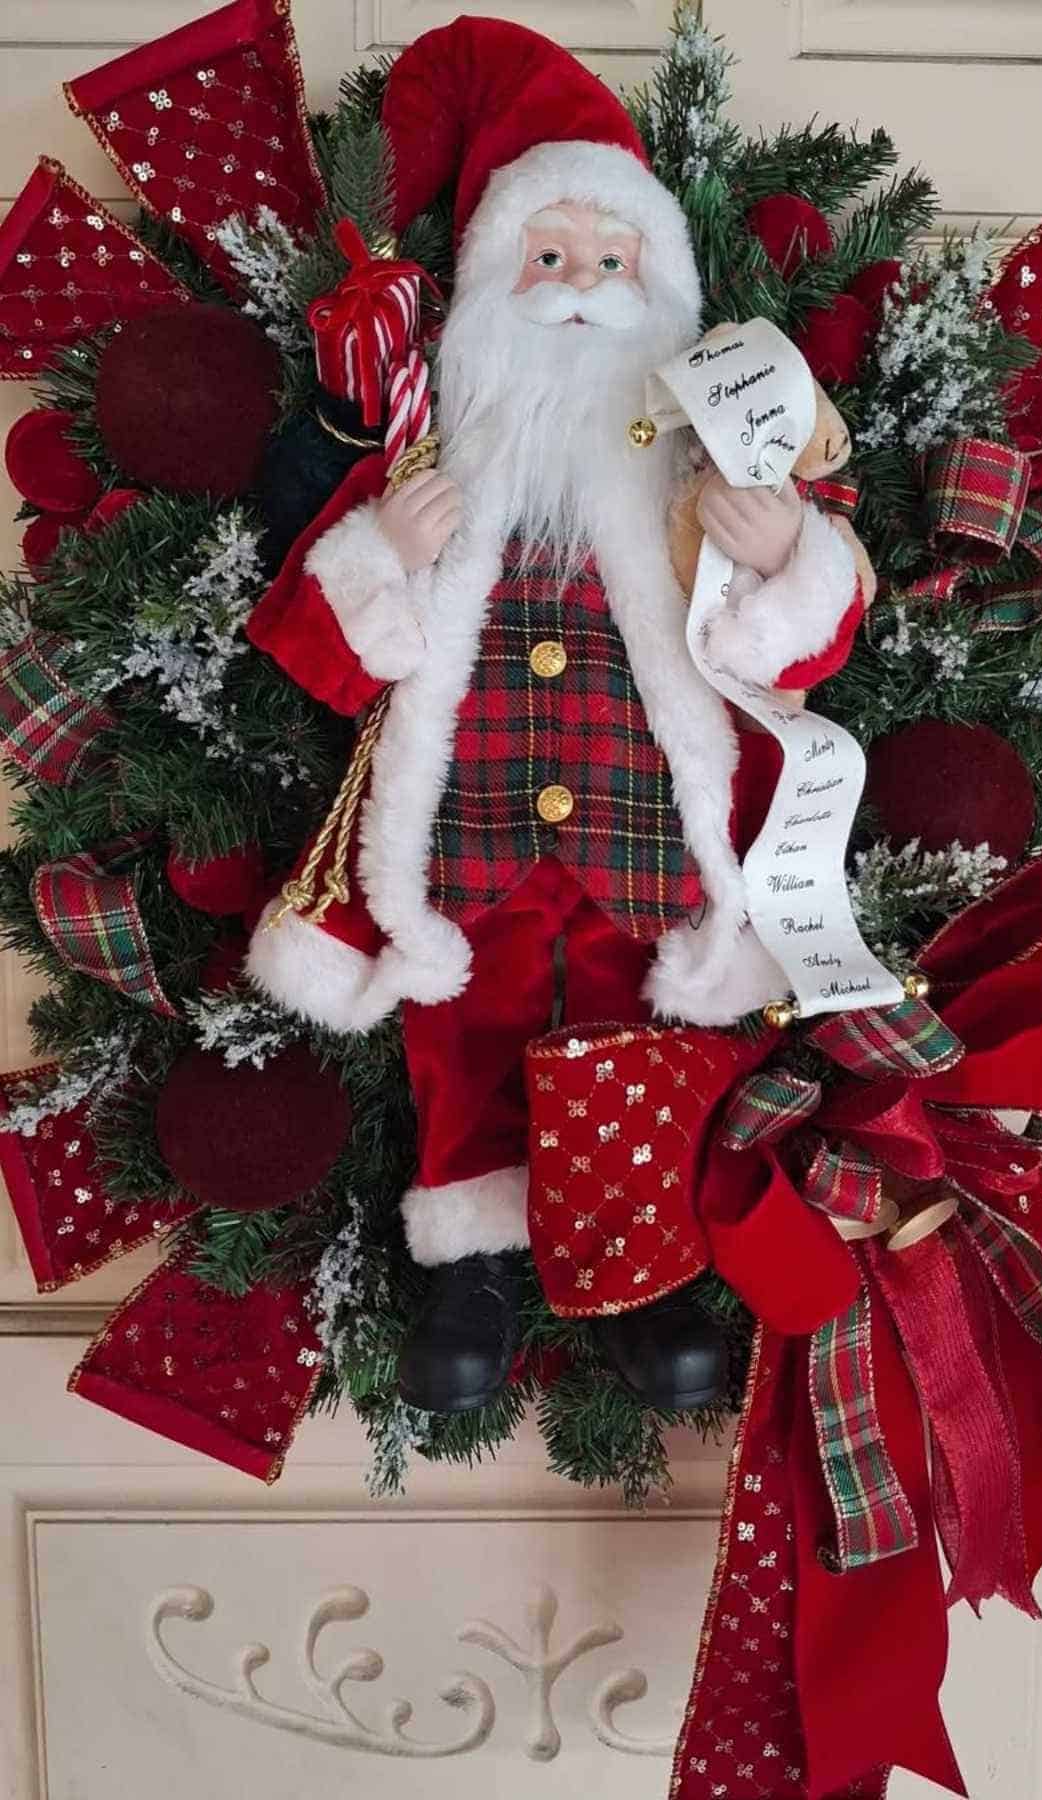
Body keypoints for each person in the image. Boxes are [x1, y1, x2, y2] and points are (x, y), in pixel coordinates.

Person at [247, 17, 863, 1413]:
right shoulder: (434, 456)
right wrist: (384, 555)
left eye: (607, 262)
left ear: (661, 292)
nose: (578, 292)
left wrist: (778, 559)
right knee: (466, 1031)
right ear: (483, 289)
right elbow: (317, 652)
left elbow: (798, 656)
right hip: (464, 839)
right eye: (545, 259)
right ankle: (470, 1257)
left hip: (644, 839)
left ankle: (645, 1275)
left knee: (645, 1038)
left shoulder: (691, 478)